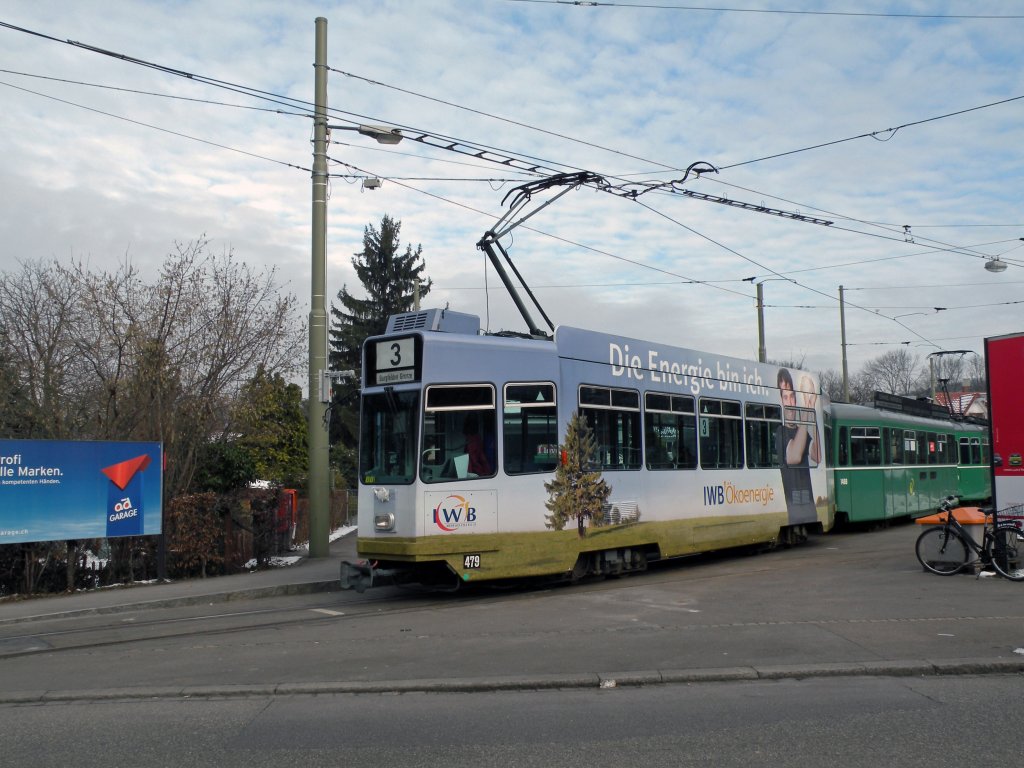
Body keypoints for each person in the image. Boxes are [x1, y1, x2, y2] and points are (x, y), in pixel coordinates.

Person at [777, 368, 820, 524]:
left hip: (809, 507)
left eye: (792, 397)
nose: (790, 402)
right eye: (785, 397)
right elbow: (794, 456)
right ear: (781, 400)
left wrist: (813, 411)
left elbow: (817, 455)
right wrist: (808, 410)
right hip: (794, 509)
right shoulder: (780, 431)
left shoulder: (802, 433)